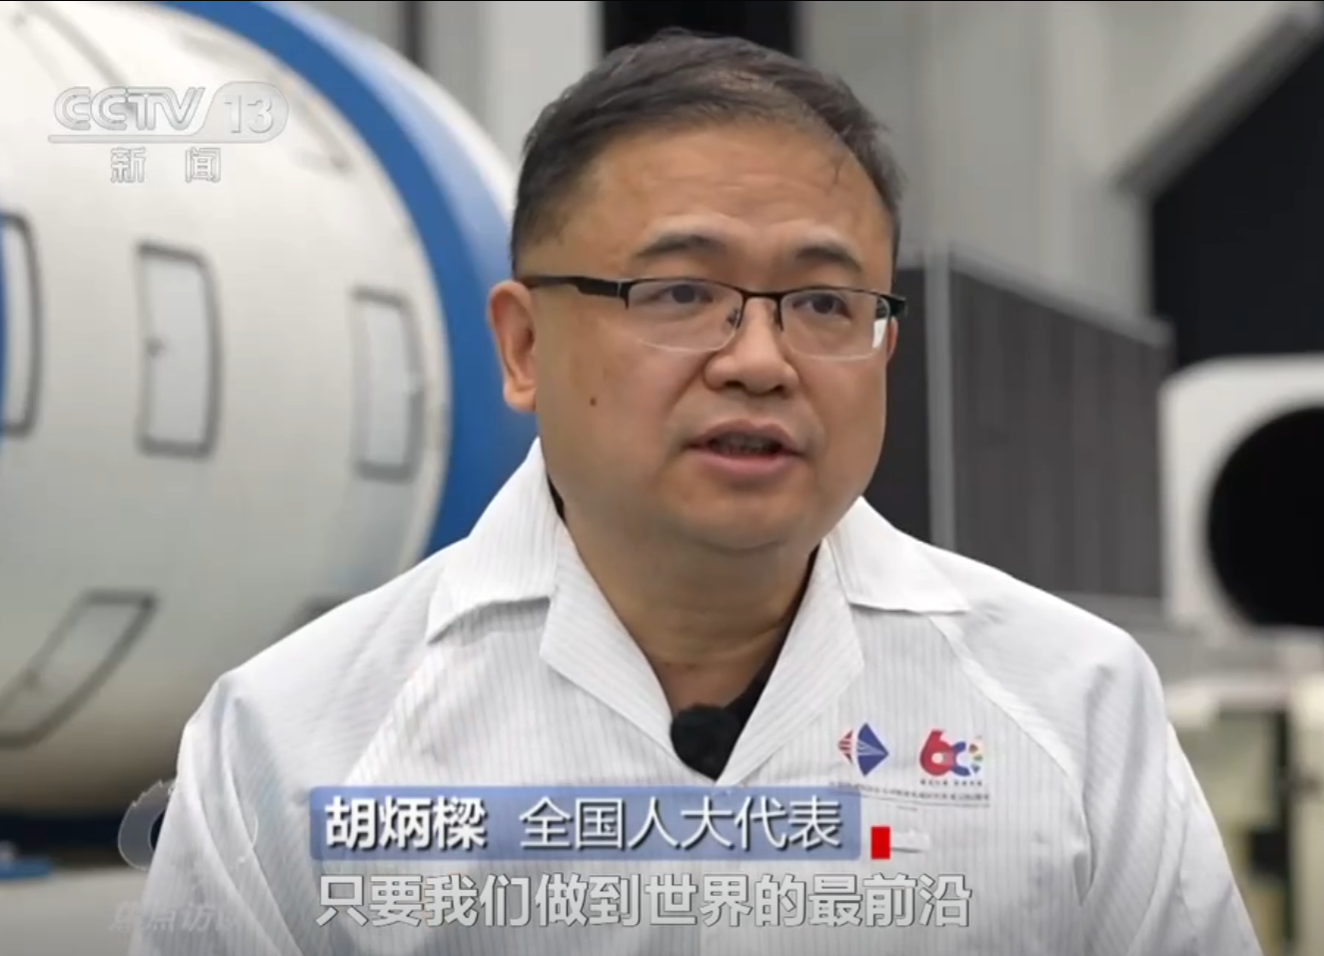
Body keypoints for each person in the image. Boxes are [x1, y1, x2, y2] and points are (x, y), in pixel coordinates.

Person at [132, 29, 1263, 956]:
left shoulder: (1068, 703)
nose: (759, 360)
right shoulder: (293, 742)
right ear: (523, 346)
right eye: (678, 292)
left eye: (824, 305)